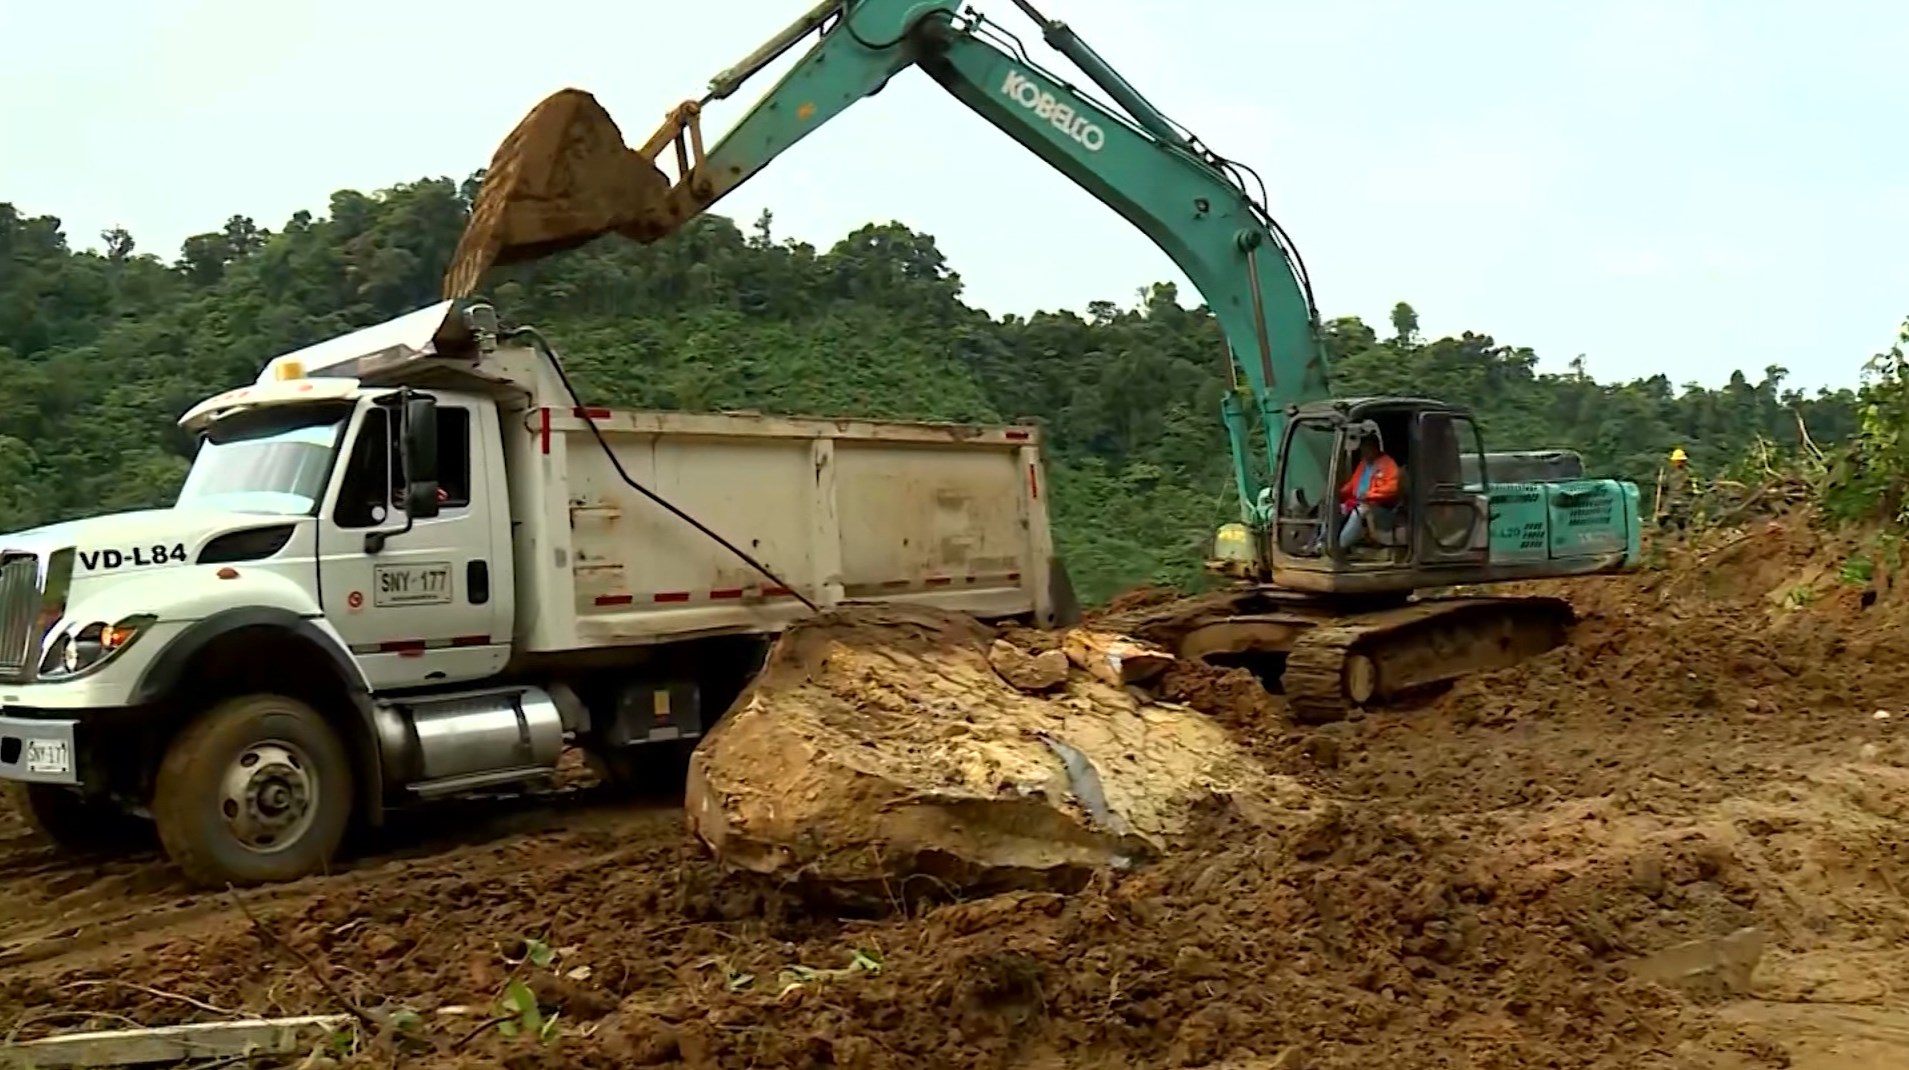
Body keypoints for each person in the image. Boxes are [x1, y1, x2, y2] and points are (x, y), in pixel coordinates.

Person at [1335, 427, 1402, 552]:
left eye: (1367, 448)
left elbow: (1392, 488)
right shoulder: (1363, 464)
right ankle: (1320, 542)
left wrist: (1369, 495)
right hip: (1358, 501)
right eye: (1363, 449)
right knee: (1333, 508)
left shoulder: (1388, 464)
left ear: (1375, 448)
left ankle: (1339, 546)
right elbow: (1352, 484)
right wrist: (1338, 493)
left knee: (1360, 511)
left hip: (1381, 508)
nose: (1364, 452)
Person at [1658, 447, 1696, 530]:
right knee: (1662, 517)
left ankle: (1681, 533)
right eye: (1677, 461)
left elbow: (1693, 489)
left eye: (1680, 461)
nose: (1678, 463)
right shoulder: (1670, 473)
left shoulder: (1688, 474)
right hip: (1671, 499)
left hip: (1683, 501)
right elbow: (1664, 486)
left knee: (1681, 519)